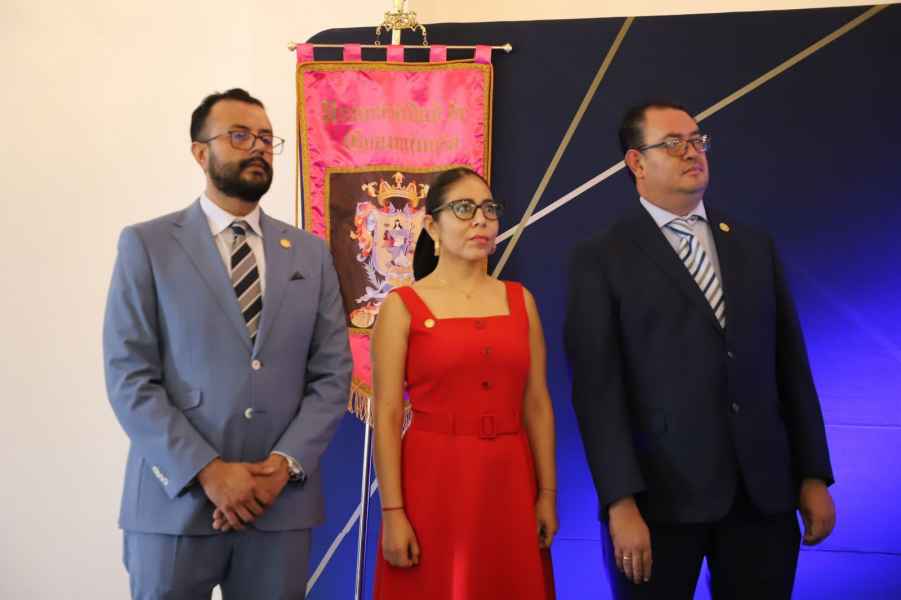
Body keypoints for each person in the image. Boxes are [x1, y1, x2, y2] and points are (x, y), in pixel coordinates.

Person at [564, 101, 836, 599]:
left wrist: (814, 474)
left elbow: (790, 368)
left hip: (762, 497)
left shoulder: (753, 245)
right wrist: (620, 502)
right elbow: (597, 393)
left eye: (697, 140)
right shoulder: (601, 258)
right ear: (636, 162)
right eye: (673, 144)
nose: (692, 152)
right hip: (659, 504)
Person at [103, 88, 352, 599]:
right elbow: (129, 377)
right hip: (174, 504)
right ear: (201, 152)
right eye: (239, 136)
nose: (257, 147)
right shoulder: (147, 245)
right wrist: (208, 472)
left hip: (278, 506)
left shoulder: (310, 254)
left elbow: (332, 376)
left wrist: (282, 466)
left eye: (265, 138)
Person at [371, 167, 558, 598]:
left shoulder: (521, 300)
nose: (481, 220)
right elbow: (387, 413)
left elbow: (537, 404)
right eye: (464, 209)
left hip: (510, 479)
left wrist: (547, 493)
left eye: (489, 209)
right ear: (432, 225)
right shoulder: (402, 306)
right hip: (433, 480)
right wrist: (393, 511)